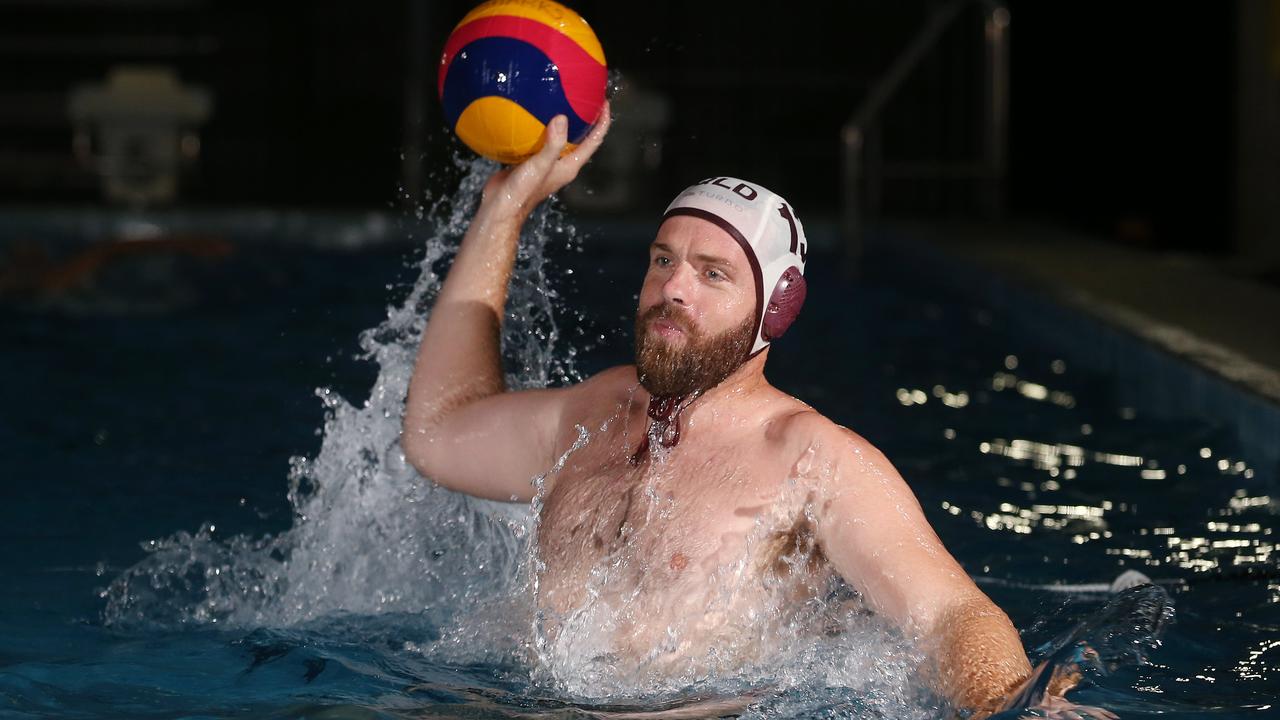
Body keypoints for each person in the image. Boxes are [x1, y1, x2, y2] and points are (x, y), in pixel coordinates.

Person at [402, 104, 1033, 715]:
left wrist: (1014, 708)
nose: (673, 287)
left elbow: (953, 614)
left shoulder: (811, 457)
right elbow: (437, 431)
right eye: (663, 261)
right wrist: (503, 209)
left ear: (776, 309)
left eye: (713, 273)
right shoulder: (597, 409)